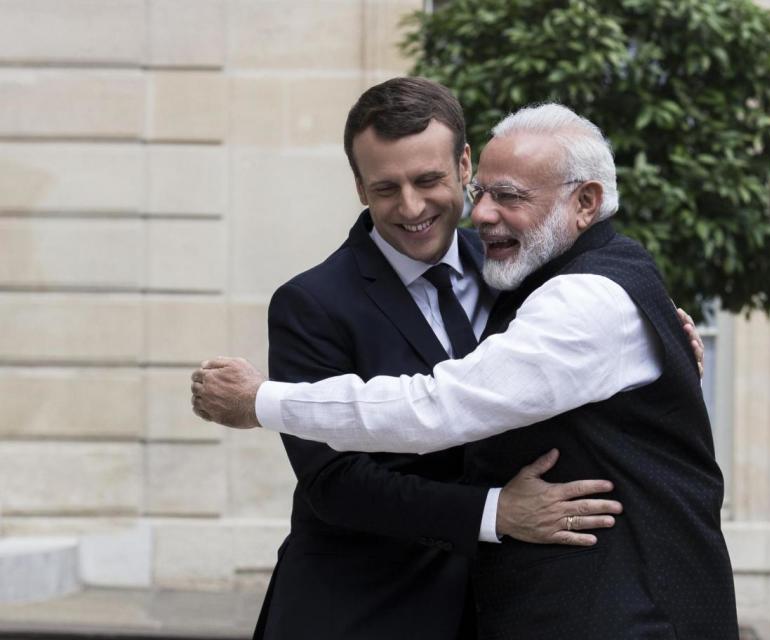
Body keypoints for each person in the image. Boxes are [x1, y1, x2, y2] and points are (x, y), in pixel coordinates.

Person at [192, 101, 735, 638]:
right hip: (366, 607)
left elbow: (453, 404)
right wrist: (494, 512)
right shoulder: (310, 302)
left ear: (463, 166)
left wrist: (659, 342)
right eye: (385, 188)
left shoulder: (518, 260)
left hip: (511, 606)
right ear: (360, 189)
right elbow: (334, 483)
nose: (411, 207)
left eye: (429, 180)